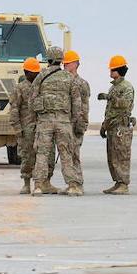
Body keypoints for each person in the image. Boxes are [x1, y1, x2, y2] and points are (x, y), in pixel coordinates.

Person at [31, 46, 83, 196]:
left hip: (44, 121)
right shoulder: (69, 77)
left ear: (48, 59)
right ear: (61, 60)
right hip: (63, 121)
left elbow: (32, 100)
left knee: (42, 153)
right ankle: (73, 186)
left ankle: (38, 186)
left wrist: (39, 117)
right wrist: (70, 120)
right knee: (66, 153)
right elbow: (77, 104)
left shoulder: (40, 76)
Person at [99, 55, 135, 194]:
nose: (110, 71)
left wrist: (110, 98)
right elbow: (110, 111)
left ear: (118, 70)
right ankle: (117, 182)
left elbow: (125, 105)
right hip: (112, 126)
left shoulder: (126, 87)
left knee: (122, 156)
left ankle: (123, 184)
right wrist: (104, 125)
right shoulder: (114, 87)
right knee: (112, 156)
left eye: (112, 69)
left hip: (121, 127)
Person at [8, 57, 41, 194]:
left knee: (42, 157)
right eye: (34, 72)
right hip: (25, 129)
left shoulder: (41, 87)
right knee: (27, 157)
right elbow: (14, 109)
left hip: (40, 128)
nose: (36, 74)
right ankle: (26, 183)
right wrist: (17, 129)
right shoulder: (20, 88)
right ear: (27, 72)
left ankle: (39, 184)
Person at [62, 50, 89, 189]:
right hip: (66, 123)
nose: (65, 64)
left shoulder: (81, 83)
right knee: (68, 154)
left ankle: (77, 183)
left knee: (74, 154)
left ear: (76, 64)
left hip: (76, 123)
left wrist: (81, 124)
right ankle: (73, 182)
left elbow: (84, 107)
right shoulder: (65, 82)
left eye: (68, 62)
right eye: (64, 62)